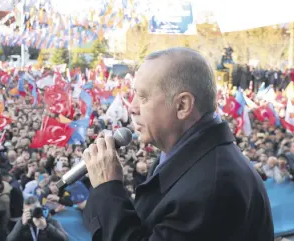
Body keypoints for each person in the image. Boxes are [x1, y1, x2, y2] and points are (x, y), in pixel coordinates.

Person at [82, 47, 274, 241]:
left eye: (143, 97)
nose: (131, 108)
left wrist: (108, 189)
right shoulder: (183, 157)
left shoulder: (211, 188)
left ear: (182, 105)